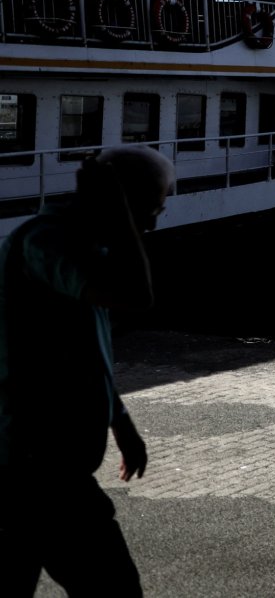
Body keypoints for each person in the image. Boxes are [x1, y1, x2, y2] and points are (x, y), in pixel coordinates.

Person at [0, 144, 175, 596]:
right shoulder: (47, 243)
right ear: (116, 200)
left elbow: (79, 353)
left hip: (39, 465)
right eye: (149, 208)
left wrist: (121, 421)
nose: (152, 223)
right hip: (33, 468)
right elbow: (137, 295)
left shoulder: (75, 248)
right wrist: (120, 214)